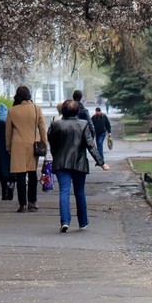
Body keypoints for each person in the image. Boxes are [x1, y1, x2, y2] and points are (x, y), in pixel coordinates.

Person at [48, 98, 108, 231]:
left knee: (64, 191)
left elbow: (52, 143)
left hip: (61, 163)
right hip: (79, 163)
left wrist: (55, 156)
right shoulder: (83, 124)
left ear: (63, 110)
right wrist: (101, 163)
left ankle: (65, 221)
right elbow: (90, 145)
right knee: (79, 192)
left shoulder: (55, 125)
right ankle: (83, 221)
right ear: (77, 111)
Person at [4, 85, 48, 212]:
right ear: (29, 95)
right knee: (32, 173)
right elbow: (42, 128)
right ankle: (32, 202)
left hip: (17, 145)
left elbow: (8, 132)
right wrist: (44, 143)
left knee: (20, 175)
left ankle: (22, 204)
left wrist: (8, 146)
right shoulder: (36, 109)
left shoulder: (12, 110)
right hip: (32, 144)